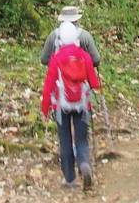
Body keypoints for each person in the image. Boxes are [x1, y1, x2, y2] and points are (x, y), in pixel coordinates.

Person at [41, 22, 103, 190]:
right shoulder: (85, 56)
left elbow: (48, 86)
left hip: (61, 105)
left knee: (65, 139)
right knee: (82, 139)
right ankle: (84, 165)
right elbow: (94, 83)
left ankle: (70, 179)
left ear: (59, 39)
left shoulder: (56, 58)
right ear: (76, 38)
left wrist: (45, 109)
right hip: (82, 105)